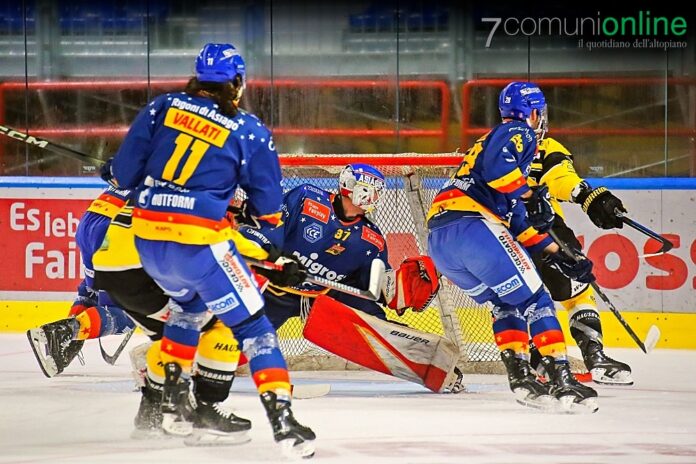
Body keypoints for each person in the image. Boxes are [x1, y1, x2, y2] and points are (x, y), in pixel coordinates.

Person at [104, 42, 315, 457]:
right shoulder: (249, 129)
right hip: (199, 244)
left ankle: (173, 405)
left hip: (148, 243)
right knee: (254, 328)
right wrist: (263, 235)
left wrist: (110, 171)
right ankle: (283, 420)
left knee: (187, 310)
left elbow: (123, 174)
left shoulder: (162, 107)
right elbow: (269, 207)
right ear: (237, 83)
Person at [426, 81, 598, 413]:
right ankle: (562, 380)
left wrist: (560, 255)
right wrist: (533, 194)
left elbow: (519, 223)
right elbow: (499, 173)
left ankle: (520, 377)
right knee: (537, 299)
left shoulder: (491, 154)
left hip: (442, 240)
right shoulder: (519, 133)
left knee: (506, 304)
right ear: (534, 112)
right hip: (473, 226)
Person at [237, 163, 456, 392]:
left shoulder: (372, 239)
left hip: (326, 293)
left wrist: (396, 287)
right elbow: (269, 228)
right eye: (368, 188)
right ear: (349, 186)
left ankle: (432, 366)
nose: (373, 195)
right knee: (235, 345)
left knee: (377, 325)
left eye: (377, 191)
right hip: (277, 287)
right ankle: (203, 364)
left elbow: (373, 287)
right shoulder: (307, 198)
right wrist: (264, 252)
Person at [527, 132, 632, 385]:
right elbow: (560, 178)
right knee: (577, 292)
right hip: (546, 229)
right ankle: (594, 356)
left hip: (500, 230)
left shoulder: (489, 144)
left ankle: (536, 359)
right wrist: (586, 196)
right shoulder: (544, 145)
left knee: (516, 296)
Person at [27, 186, 136, 377]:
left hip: (91, 220)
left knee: (94, 287)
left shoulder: (146, 160)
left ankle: (65, 345)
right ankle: (66, 332)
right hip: (117, 227)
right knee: (131, 313)